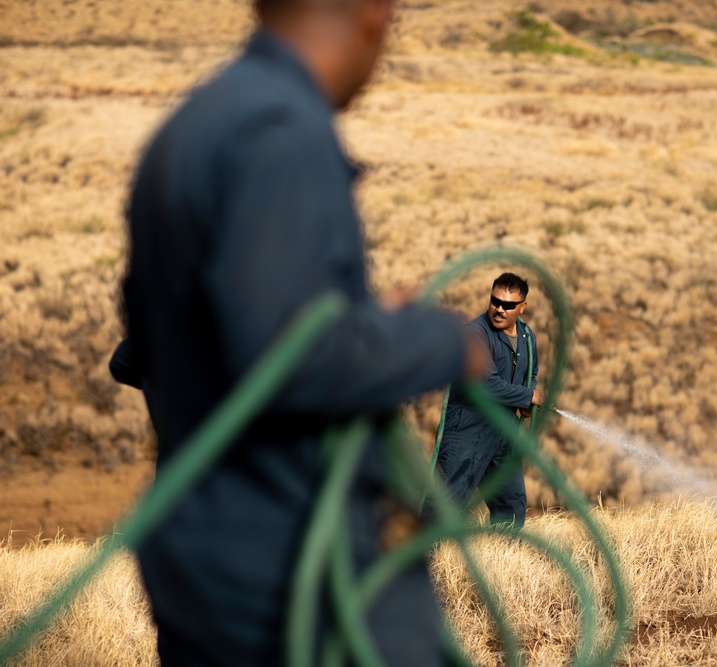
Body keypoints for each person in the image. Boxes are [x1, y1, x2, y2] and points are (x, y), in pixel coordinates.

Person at [113, 0, 481, 664]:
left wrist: (362, 324)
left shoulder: (194, 123)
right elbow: (287, 357)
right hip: (288, 568)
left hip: (202, 564)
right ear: (375, 12)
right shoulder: (283, 131)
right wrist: (442, 342)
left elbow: (156, 339)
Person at [433, 273, 544, 530]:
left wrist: (527, 399)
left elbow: (532, 375)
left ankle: (504, 562)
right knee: (445, 505)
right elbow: (487, 384)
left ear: (522, 307)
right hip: (467, 431)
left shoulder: (527, 336)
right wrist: (528, 396)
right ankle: (423, 561)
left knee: (512, 507)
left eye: (508, 305)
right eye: (495, 301)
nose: (499, 309)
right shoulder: (474, 334)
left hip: (504, 433)